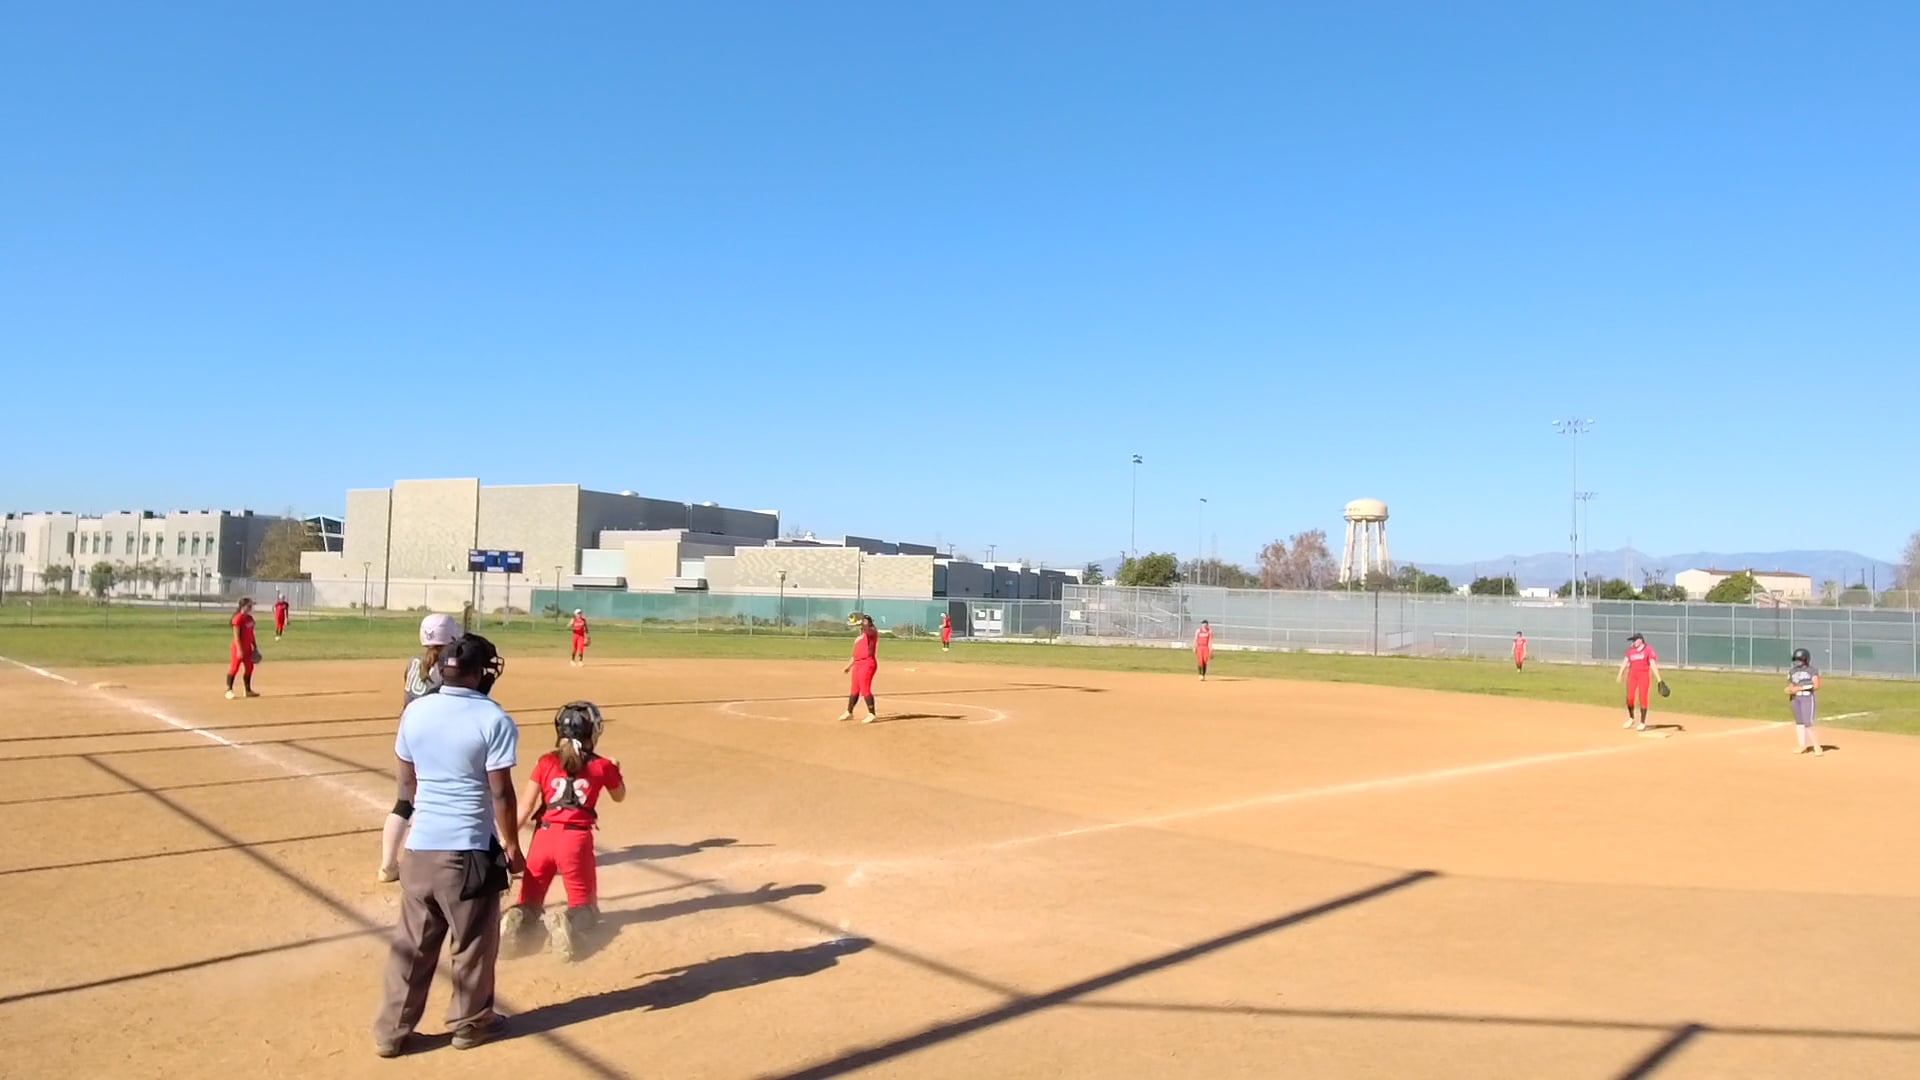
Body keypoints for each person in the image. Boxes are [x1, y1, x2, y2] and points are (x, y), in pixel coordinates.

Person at [374, 634, 521, 1058]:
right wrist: (512, 846)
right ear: (478, 674)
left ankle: (392, 1033)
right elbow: (501, 793)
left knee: (412, 946)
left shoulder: (415, 711)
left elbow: (407, 784)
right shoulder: (493, 718)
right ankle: (470, 1023)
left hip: (419, 849)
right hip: (468, 851)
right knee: (472, 942)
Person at [502, 701, 626, 961]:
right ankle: (567, 921)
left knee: (530, 900)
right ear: (593, 732)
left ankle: (517, 919)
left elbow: (525, 806)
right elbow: (619, 796)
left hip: (543, 837)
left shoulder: (546, 762)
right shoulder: (602, 766)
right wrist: (615, 769)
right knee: (584, 906)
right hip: (575, 840)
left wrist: (506, 840)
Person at [379, 613, 462, 884]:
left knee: (404, 802)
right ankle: (435, 866)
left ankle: (387, 865)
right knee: (437, 802)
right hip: (437, 739)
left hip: (408, 735)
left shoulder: (413, 663)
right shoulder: (449, 667)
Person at [1615, 632, 1664, 731]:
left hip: (1644, 676)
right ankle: (1631, 718)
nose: (1633, 642)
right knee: (1630, 697)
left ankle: (1642, 722)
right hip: (1632, 675)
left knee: (1643, 697)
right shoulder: (1630, 651)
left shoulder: (1648, 650)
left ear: (1640, 640)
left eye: (1634, 640)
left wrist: (1659, 679)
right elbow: (1625, 662)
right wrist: (1620, 673)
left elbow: (1652, 665)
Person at [839, 615, 880, 723]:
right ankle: (849, 712)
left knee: (865, 688)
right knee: (854, 689)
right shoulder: (859, 638)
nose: (864, 623)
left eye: (866, 621)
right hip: (858, 664)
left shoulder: (872, 632)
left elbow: (868, 631)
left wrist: (862, 623)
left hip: (868, 663)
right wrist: (849, 666)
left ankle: (872, 714)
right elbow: (855, 655)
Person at [1786, 647, 1825, 757]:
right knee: (1799, 723)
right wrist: (1791, 689)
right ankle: (1801, 745)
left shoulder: (1812, 670)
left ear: (1806, 659)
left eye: (1800, 659)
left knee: (1808, 723)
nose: (1797, 661)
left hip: (1807, 698)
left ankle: (1817, 746)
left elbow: (1816, 685)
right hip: (1795, 698)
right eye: (1796, 659)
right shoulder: (1792, 671)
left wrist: (1800, 688)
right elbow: (1791, 684)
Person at [225, 597, 259, 700]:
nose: (251, 607)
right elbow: (236, 636)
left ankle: (247, 690)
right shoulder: (238, 618)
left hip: (248, 648)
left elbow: (251, 634)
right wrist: (239, 650)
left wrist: (255, 647)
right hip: (238, 647)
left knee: (250, 668)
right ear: (243, 607)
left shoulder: (250, 619)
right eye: (249, 606)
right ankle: (229, 690)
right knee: (234, 668)